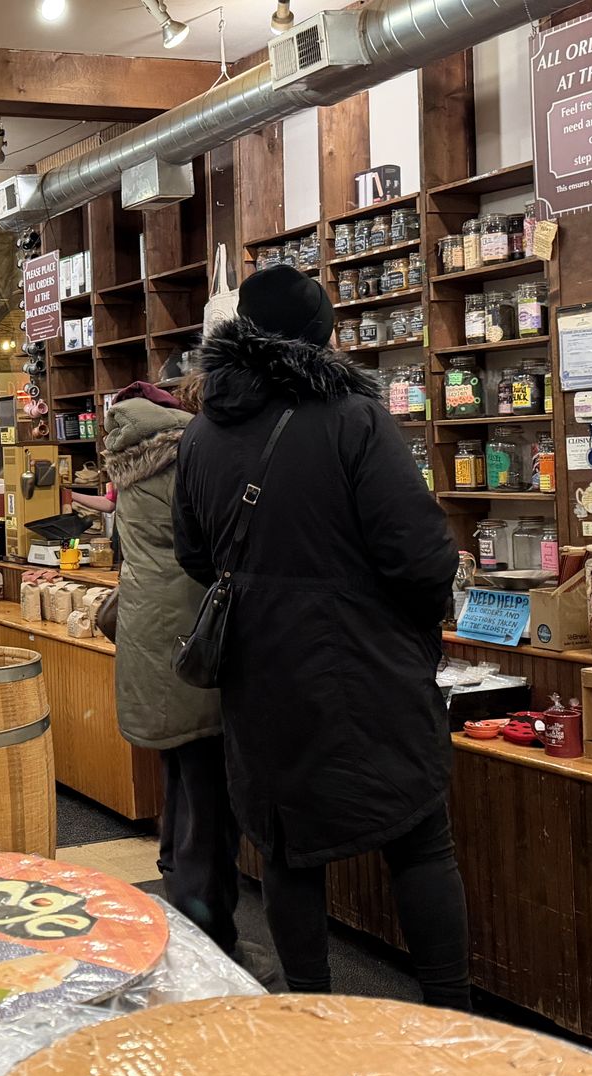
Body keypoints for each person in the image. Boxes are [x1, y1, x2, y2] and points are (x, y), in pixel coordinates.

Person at [173, 264, 470, 1010]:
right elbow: (420, 554)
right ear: (322, 336)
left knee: (285, 848)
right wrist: (413, 627)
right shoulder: (352, 417)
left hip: (259, 672)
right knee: (418, 839)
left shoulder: (203, 431)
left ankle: (306, 1013)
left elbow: (192, 554)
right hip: (367, 667)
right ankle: (451, 1011)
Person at [100, 370, 269, 980]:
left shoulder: (130, 451)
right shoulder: (191, 455)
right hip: (194, 632)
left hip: (152, 631)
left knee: (182, 785)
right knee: (206, 799)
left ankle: (185, 913)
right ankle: (210, 944)